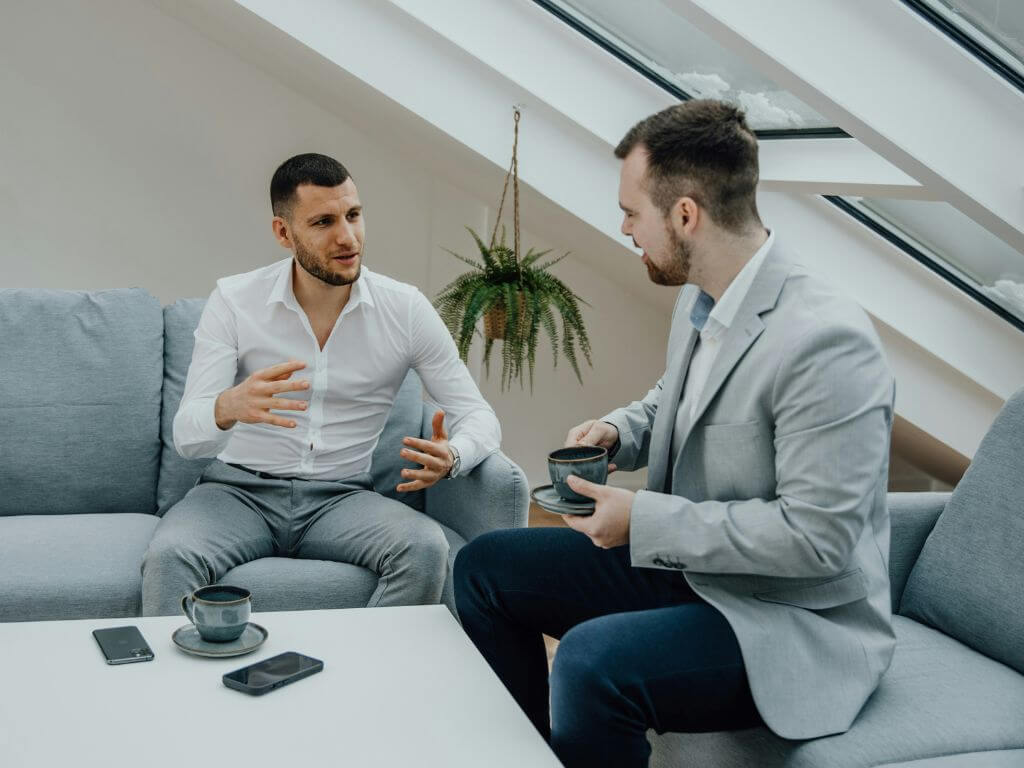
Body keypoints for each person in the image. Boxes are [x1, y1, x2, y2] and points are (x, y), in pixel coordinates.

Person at [454, 100, 896, 767]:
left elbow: (819, 539)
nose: (626, 229)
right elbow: (680, 401)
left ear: (685, 214)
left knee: (590, 662)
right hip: (697, 571)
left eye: (633, 213)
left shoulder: (828, 343)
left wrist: (645, 521)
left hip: (785, 618)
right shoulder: (702, 296)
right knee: (484, 569)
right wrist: (619, 431)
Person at [142, 153, 500, 616]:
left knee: (426, 548)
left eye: (353, 215)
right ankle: (178, 689)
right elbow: (188, 437)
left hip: (342, 497)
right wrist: (228, 406)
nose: (347, 237)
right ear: (283, 233)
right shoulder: (234, 300)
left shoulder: (405, 309)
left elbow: (478, 414)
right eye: (323, 222)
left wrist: (455, 456)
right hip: (236, 492)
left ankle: (362, 681)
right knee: (170, 558)